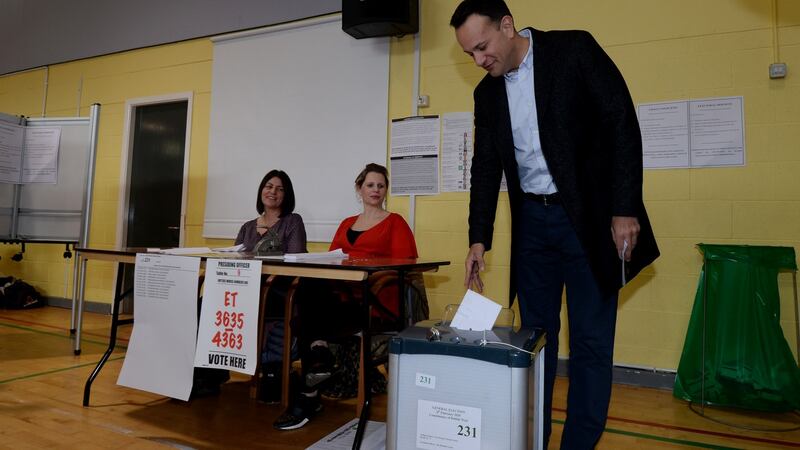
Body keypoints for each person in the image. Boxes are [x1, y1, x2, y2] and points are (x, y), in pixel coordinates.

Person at [450, 1, 659, 448]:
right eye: (469, 54)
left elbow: (621, 122)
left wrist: (625, 210)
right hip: (533, 227)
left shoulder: (573, 51)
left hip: (587, 222)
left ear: (507, 26)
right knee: (533, 343)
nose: (479, 60)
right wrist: (478, 239)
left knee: (590, 343)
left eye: (482, 47)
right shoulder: (486, 94)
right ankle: (534, 440)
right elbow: (486, 167)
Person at [273, 162, 419, 430]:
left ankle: (309, 394)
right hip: (341, 297)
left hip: (373, 298)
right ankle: (317, 362)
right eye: (370, 185)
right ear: (359, 189)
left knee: (307, 314)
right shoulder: (347, 223)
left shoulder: (395, 222)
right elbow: (330, 260)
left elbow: (404, 266)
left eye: (381, 185)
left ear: (386, 190)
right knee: (308, 283)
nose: (375, 190)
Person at [193, 169, 306, 400]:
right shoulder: (247, 227)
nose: (272, 191)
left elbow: (296, 262)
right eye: (268, 186)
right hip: (244, 291)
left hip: (275, 291)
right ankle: (210, 374)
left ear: (287, 195)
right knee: (202, 305)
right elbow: (234, 259)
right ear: (261, 191)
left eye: (279, 188)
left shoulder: (292, 221)